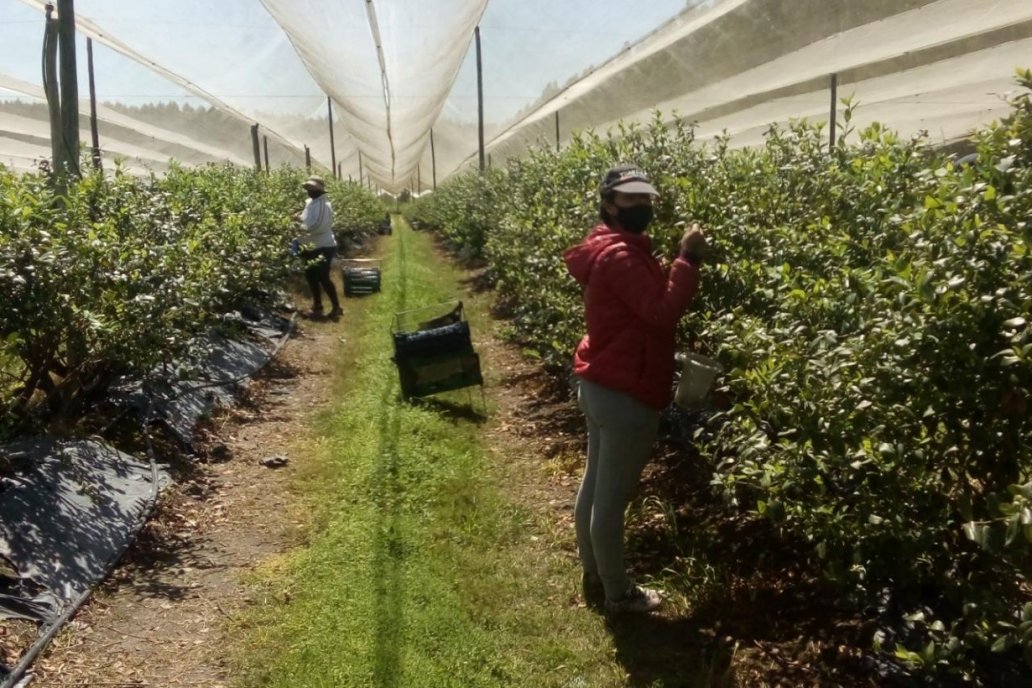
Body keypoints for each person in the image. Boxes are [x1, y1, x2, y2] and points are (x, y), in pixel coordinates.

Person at [563, 163, 707, 613]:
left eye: (646, 199)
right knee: (611, 498)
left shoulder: (613, 247)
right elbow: (662, 312)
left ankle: (594, 569)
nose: (642, 206)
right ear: (609, 204)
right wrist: (688, 259)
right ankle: (619, 592)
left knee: (594, 485)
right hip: (625, 390)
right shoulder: (622, 256)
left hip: (603, 381)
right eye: (631, 199)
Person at [295, 175, 342, 319]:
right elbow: (307, 220)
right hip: (310, 246)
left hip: (322, 246)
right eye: (308, 187)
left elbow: (317, 226)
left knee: (323, 277)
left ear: (320, 189)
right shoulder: (311, 203)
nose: (309, 190)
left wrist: (299, 227)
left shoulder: (323, 205)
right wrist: (298, 220)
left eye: (312, 188)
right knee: (311, 276)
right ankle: (317, 306)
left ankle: (336, 307)